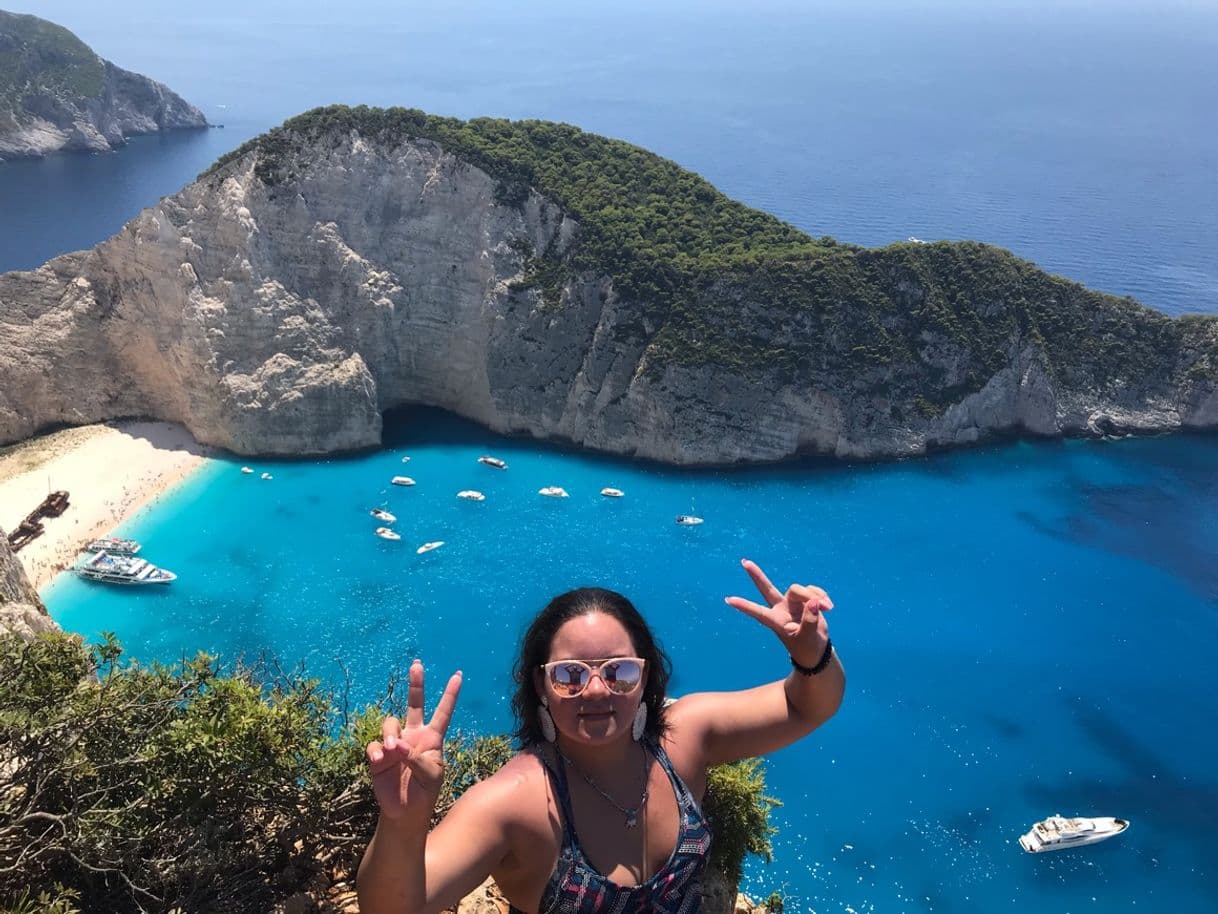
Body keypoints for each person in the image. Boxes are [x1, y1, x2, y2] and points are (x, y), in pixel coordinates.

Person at [358, 559, 844, 914]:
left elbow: (807, 705)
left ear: (646, 678)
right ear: (540, 685)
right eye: (570, 675)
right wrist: (402, 825)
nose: (595, 690)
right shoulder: (517, 801)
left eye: (620, 672)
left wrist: (812, 655)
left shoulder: (686, 738)